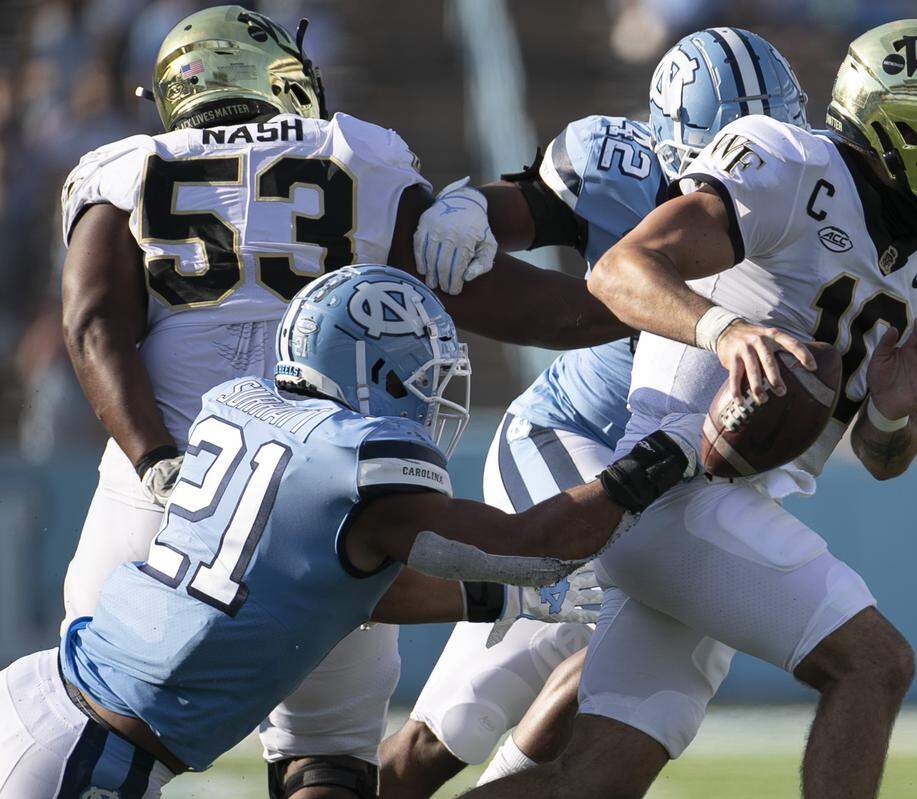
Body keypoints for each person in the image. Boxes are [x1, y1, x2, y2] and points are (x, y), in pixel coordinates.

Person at [57, 6, 626, 796]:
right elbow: (518, 305)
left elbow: (92, 325)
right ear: (277, 77)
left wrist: (157, 460)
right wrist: (660, 302)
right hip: (333, 500)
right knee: (326, 758)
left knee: (102, 734)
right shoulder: (357, 153)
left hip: (168, 499)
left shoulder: (123, 167)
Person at [460, 18, 917, 799]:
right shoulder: (789, 162)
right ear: (910, 130)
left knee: (590, 784)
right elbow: (623, 269)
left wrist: (894, 416)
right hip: (668, 490)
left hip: (733, 509)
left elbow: (883, 458)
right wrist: (723, 330)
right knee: (875, 662)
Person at [0, 265, 697, 799]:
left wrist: (491, 601)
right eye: (422, 368)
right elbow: (535, 545)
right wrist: (656, 460)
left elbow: (329, 583)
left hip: (42, 693)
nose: (431, 389)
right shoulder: (363, 461)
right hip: (92, 752)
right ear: (376, 368)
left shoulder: (238, 406)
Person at [379, 28, 808, 796]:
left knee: (628, 636)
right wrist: (465, 207)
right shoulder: (621, 164)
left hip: (687, 469)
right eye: (734, 143)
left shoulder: (813, 187)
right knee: (485, 691)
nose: (754, 163)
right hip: (573, 435)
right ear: (678, 145)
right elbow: (513, 209)